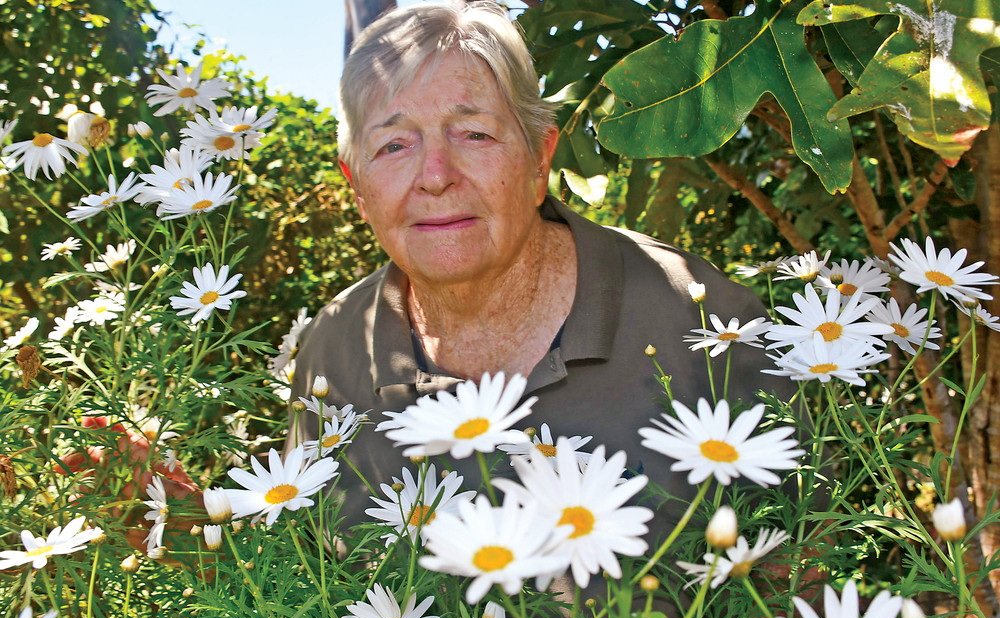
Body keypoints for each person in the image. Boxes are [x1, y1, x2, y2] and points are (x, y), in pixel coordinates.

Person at [289, 1, 788, 540]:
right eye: (393, 145)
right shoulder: (330, 352)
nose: (435, 176)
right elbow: (305, 571)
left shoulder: (703, 319)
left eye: (474, 134)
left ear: (540, 156)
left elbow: (799, 569)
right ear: (357, 185)